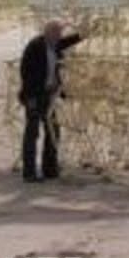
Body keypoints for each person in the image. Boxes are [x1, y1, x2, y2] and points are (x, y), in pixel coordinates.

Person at [18, 19, 83, 182]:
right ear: (47, 32)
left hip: (50, 96)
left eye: (60, 33)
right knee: (32, 134)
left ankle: (50, 169)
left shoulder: (54, 45)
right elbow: (25, 73)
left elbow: (67, 42)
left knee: (53, 131)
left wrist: (84, 34)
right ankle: (29, 173)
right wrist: (30, 98)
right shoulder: (35, 47)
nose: (59, 36)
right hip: (35, 96)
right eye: (56, 32)